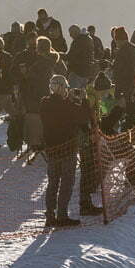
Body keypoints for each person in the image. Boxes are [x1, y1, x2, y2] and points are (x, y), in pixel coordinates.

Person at [39, 75, 87, 228]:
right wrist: (83, 100)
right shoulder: (67, 106)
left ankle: (50, 215)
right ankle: (62, 215)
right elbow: (81, 118)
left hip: (52, 149)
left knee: (52, 182)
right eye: (65, 88)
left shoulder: (44, 103)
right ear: (60, 87)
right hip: (67, 148)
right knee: (66, 182)